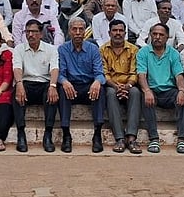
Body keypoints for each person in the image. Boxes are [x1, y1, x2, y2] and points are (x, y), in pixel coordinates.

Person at [137, 23, 184, 154]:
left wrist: (181, 90)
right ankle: (154, 139)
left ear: (167, 37)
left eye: (161, 35)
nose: (157, 37)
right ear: (150, 35)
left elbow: (179, 75)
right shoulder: (143, 52)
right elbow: (141, 75)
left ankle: (182, 139)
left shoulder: (173, 53)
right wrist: (147, 90)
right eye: (154, 34)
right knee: (144, 96)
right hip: (152, 90)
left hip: (169, 91)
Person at [57, 17, 107, 153]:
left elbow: (99, 73)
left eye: (81, 29)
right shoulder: (62, 49)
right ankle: (66, 135)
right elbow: (60, 73)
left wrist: (97, 81)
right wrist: (64, 81)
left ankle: (97, 134)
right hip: (71, 86)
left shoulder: (93, 49)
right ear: (69, 31)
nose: (78, 32)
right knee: (62, 90)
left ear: (85, 31)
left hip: (88, 87)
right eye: (74, 29)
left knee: (100, 89)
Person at [12, 19, 60, 153]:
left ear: (41, 34)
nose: (30, 35)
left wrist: (53, 85)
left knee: (52, 94)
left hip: (44, 83)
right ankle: (21, 134)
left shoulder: (51, 49)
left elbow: (54, 68)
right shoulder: (19, 49)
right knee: (16, 92)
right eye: (27, 32)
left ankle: (48, 134)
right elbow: (17, 68)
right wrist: (19, 84)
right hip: (26, 83)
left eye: (34, 31)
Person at [98, 19, 141, 154]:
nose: (118, 33)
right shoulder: (102, 50)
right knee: (110, 94)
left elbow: (134, 72)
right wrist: (116, 86)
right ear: (109, 33)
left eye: (121, 30)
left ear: (125, 33)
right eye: (115, 30)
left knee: (135, 92)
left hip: (129, 85)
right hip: (111, 85)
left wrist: (127, 86)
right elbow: (104, 73)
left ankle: (131, 138)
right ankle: (120, 138)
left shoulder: (133, 50)